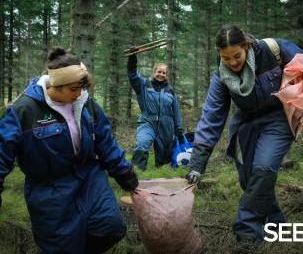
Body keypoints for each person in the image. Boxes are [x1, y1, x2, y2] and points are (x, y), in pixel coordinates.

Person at [0, 47, 139, 254]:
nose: (79, 94)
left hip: (89, 180)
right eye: (74, 89)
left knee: (111, 227)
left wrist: (125, 174)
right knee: (63, 247)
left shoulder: (87, 105)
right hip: (49, 191)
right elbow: (2, 151)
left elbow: (106, 142)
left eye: (82, 88)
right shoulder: (24, 110)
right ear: (56, 85)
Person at [186, 24, 303, 243]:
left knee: (263, 168)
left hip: (278, 117)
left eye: (237, 56)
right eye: (226, 58)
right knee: (249, 178)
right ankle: (276, 224)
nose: (232, 63)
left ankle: (247, 233)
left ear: (246, 45)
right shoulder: (221, 77)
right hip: (246, 122)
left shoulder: (274, 49)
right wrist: (196, 165)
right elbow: (211, 117)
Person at [127, 54, 183, 170]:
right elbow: (133, 76)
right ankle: (136, 173)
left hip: (167, 126)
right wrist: (132, 62)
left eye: (164, 73)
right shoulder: (144, 85)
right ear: (154, 72)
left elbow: (176, 111)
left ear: (167, 75)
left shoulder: (170, 91)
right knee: (142, 143)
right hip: (147, 122)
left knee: (164, 157)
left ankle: (163, 177)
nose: (161, 74)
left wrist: (179, 130)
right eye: (159, 72)